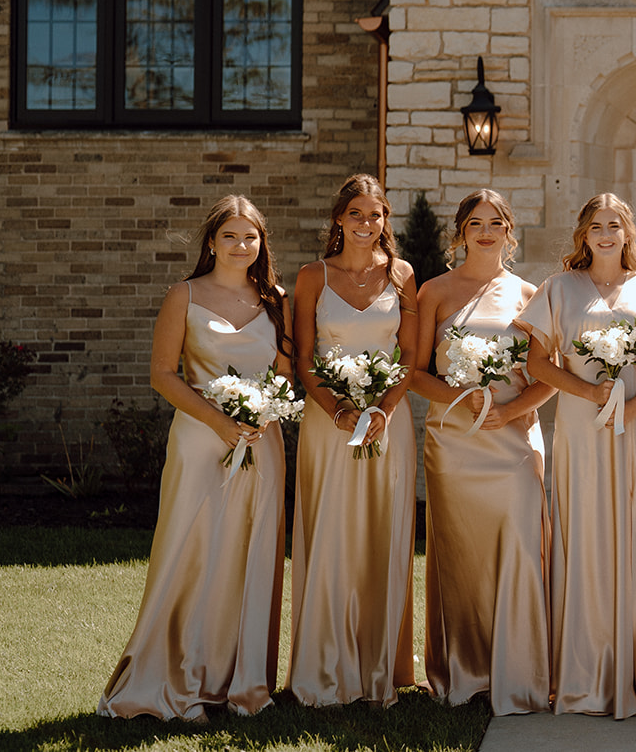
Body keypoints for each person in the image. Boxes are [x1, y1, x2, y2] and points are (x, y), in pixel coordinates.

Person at [99, 196, 290, 720]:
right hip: (201, 440)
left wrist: (263, 411)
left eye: (250, 237)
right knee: (192, 551)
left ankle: (242, 683)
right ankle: (172, 678)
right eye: (230, 236)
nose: (240, 245)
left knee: (249, 554)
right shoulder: (183, 295)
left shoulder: (275, 298)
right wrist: (221, 422)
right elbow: (163, 374)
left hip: (261, 440)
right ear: (212, 242)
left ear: (260, 243)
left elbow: (286, 375)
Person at [518, 193, 636, 717]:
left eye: (616, 225)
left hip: (635, 429)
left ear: (628, 234)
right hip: (582, 431)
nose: (606, 234)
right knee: (583, 536)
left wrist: (633, 407)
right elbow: (538, 362)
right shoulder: (559, 288)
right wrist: (588, 395)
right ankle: (584, 675)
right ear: (583, 234)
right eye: (596, 226)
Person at [411, 189, 553, 713]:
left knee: (519, 540)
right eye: (476, 223)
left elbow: (547, 378)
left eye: (496, 222)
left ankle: (520, 671)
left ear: (509, 232)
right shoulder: (435, 292)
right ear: (461, 233)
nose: (486, 232)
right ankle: (466, 671)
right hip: (454, 441)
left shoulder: (529, 294)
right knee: (461, 552)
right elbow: (415, 373)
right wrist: (462, 398)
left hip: (513, 439)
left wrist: (510, 412)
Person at [288, 174, 418, 707]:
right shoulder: (311, 277)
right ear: (339, 219)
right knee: (333, 531)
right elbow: (303, 357)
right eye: (356, 214)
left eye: (376, 214)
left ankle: (380, 667)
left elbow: (410, 356)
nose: (367, 223)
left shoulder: (404, 275)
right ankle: (325, 667)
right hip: (329, 422)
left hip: (391, 422)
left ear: (386, 219)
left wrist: (383, 408)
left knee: (384, 533)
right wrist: (340, 410)